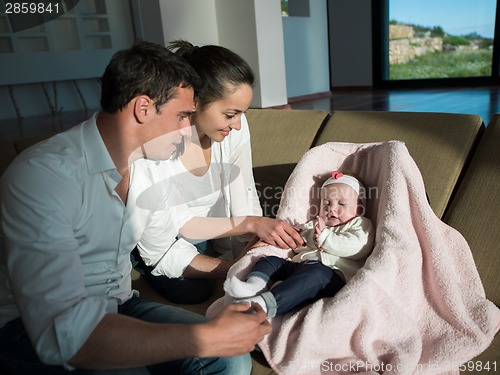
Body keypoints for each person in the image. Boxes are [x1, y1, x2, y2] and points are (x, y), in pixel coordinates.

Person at [0, 40, 271, 375]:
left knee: (231, 360)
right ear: (143, 108)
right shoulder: (44, 177)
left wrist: (237, 268)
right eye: (183, 116)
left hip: (120, 303)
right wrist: (203, 338)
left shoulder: (150, 167)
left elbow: (161, 252)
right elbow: (65, 335)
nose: (189, 130)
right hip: (29, 329)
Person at [131, 40, 304, 304]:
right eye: (230, 114)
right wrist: (236, 266)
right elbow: (174, 231)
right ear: (194, 101)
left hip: (208, 231)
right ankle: (135, 256)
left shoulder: (234, 130)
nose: (237, 125)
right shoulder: (158, 149)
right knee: (193, 291)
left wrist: (255, 245)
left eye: (241, 114)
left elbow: (242, 191)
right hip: (164, 236)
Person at [224, 171, 375, 318]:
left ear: (359, 209)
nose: (332, 209)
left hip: (331, 274)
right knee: (269, 261)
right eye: (326, 204)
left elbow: (357, 248)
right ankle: (253, 287)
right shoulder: (315, 224)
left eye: (342, 204)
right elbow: (296, 238)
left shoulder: (360, 224)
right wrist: (271, 241)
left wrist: (324, 237)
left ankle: (265, 305)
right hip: (299, 265)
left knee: (312, 277)